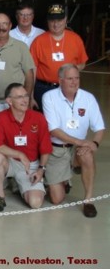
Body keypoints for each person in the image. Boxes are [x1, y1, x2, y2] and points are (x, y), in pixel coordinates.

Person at [42, 64, 104, 218]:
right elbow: (53, 129)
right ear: (60, 80)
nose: (74, 82)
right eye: (70, 78)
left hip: (78, 148)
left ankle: (88, 200)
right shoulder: (49, 96)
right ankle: (65, 179)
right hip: (57, 148)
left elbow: (99, 128)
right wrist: (81, 142)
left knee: (87, 155)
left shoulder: (88, 98)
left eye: (77, 78)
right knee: (56, 199)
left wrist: (94, 144)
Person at [0, 83, 52, 212]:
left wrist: (41, 170)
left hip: (31, 165)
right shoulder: (0, 118)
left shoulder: (38, 118)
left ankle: (18, 184)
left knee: (35, 203)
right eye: (19, 97)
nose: (24, 100)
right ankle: (0, 196)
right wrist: (19, 154)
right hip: (10, 162)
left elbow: (45, 148)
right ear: (9, 101)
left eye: (26, 96)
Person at [30, 3, 88, 110]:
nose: (56, 24)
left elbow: (82, 63)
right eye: (52, 20)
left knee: (68, 118)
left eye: (59, 20)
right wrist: (31, 95)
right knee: (45, 121)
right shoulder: (39, 41)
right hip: (43, 88)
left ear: (65, 20)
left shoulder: (75, 39)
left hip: (68, 87)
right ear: (47, 21)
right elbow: (32, 70)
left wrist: (70, 73)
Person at [0, 13, 35, 117]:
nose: (1, 27)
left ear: (10, 25)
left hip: (17, 101)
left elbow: (29, 75)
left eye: (4, 24)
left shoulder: (21, 47)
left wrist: (26, 99)